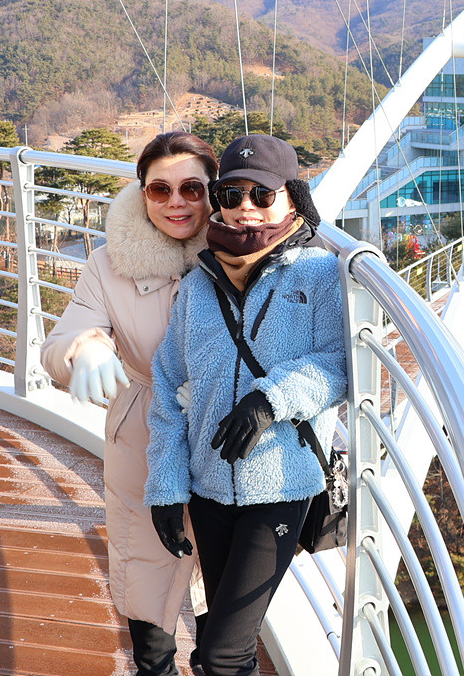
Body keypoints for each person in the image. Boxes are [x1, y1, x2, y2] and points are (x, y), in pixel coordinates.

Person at [145, 134, 347, 676]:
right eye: (231, 194)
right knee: (225, 643)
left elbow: (338, 364)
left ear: (292, 197)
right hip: (208, 488)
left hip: (281, 488)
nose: (245, 207)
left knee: (221, 654)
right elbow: (168, 385)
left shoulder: (319, 274)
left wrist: (270, 399)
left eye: (262, 194)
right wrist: (166, 489)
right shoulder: (198, 285)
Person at [43, 131, 218, 676]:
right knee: (146, 594)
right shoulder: (109, 264)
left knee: (224, 615)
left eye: (192, 188)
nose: (176, 202)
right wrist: (86, 348)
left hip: (226, 434)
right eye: (160, 189)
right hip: (142, 436)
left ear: (214, 190)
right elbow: (58, 343)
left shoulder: (244, 251)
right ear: (142, 194)